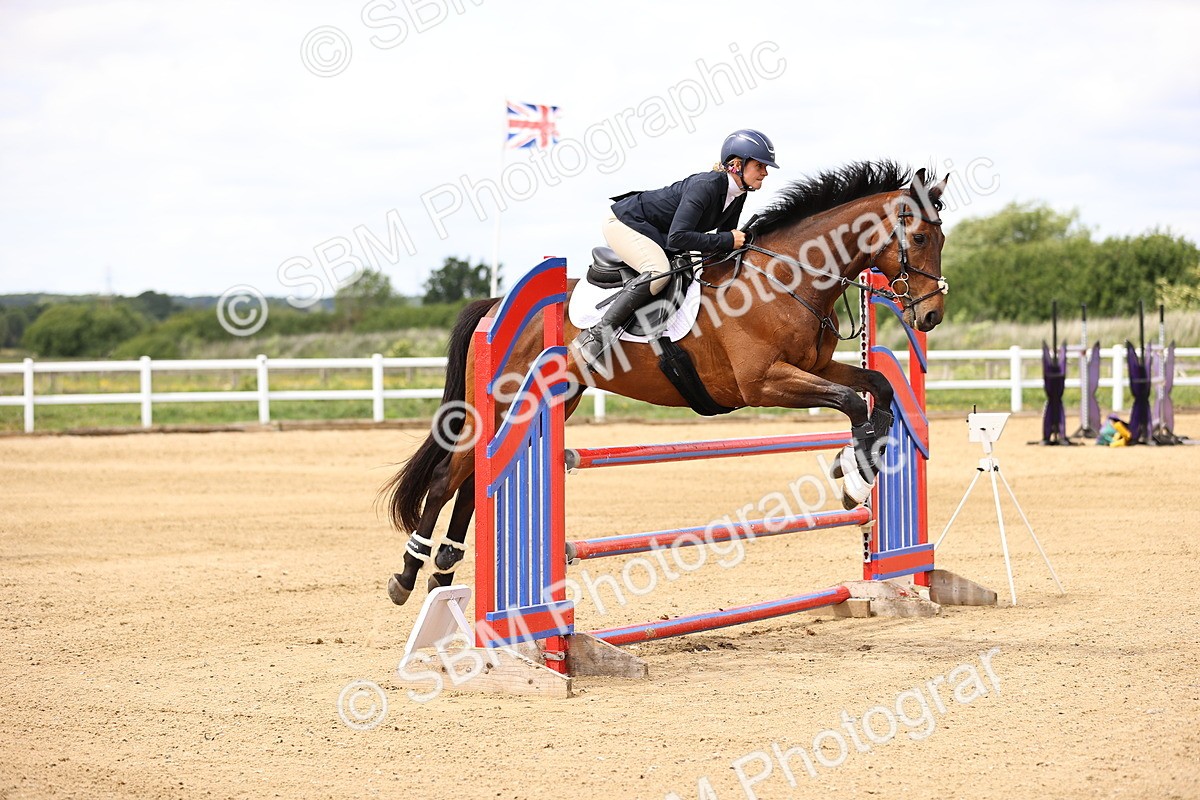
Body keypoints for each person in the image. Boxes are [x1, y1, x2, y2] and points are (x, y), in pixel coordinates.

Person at [572, 128, 778, 372]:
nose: (765, 172)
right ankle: (596, 336)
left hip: (655, 232)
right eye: (760, 165)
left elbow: (723, 242)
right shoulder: (706, 186)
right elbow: (679, 238)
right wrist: (725, 241)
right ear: (736, 164)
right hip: (625, 223)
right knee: (659, 271)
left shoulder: (738, 194)